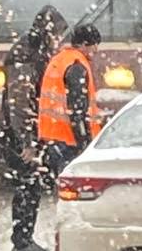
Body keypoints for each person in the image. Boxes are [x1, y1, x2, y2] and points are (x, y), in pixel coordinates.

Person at [3, 6, 69, 251]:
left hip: (29, 133)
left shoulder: (34, 51)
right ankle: (22, 243)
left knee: (30, 187)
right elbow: (19, 104)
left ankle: (24, 240)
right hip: (22, 136)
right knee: (26, 188)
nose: (59, 41)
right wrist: (27, 142)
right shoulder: (26, 56)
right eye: (57, 35)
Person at [38, 23, 103, 176]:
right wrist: (84, 140)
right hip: (69, 138)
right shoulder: (76, 64)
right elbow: (77, 106)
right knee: (75, 184)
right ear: (84, 45)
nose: (96, 50)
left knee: (64, 181)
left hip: (53, 134)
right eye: (94, 45)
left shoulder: (59, 59)